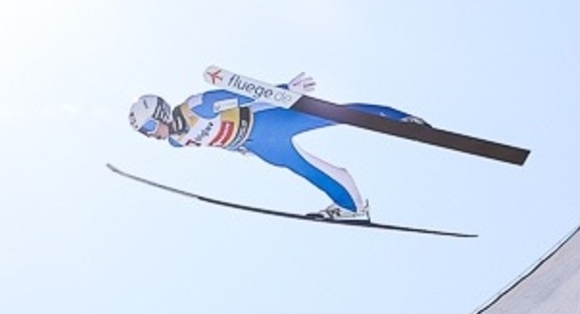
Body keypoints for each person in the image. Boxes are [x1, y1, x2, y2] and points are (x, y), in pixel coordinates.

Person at [127, 73, 421, 221]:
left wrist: (284, 91)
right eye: (145, 134)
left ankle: (401, 120)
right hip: (259, 145)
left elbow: (237, 95)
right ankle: (352, 207)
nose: (152, 135)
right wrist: (236, 149)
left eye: (150, 127)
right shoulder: (178, 142)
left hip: (269, 121)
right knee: (309, 170)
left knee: (337, 114)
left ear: (161, 114)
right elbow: (210, 139)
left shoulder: (196, 106)